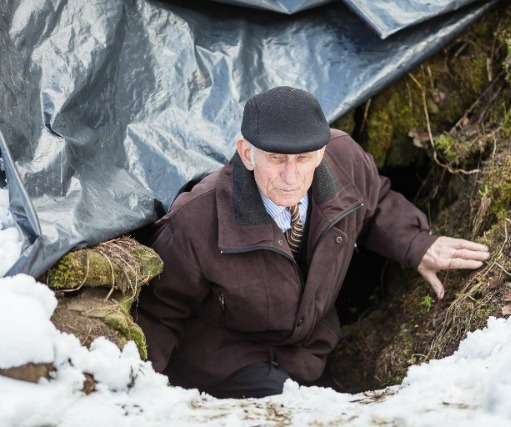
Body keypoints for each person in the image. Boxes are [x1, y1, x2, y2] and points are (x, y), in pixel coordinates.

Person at [135, 86, 490, 399]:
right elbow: (158, 311)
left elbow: (374, 201)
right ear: (246, 154)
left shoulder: (344, 159)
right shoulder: (196, 221)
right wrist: (142, 392)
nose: (290, 177)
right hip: (230, 358)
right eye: (275, 159)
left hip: (310, 351)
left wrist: (415, 244)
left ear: (320, 153)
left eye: (303, 159)